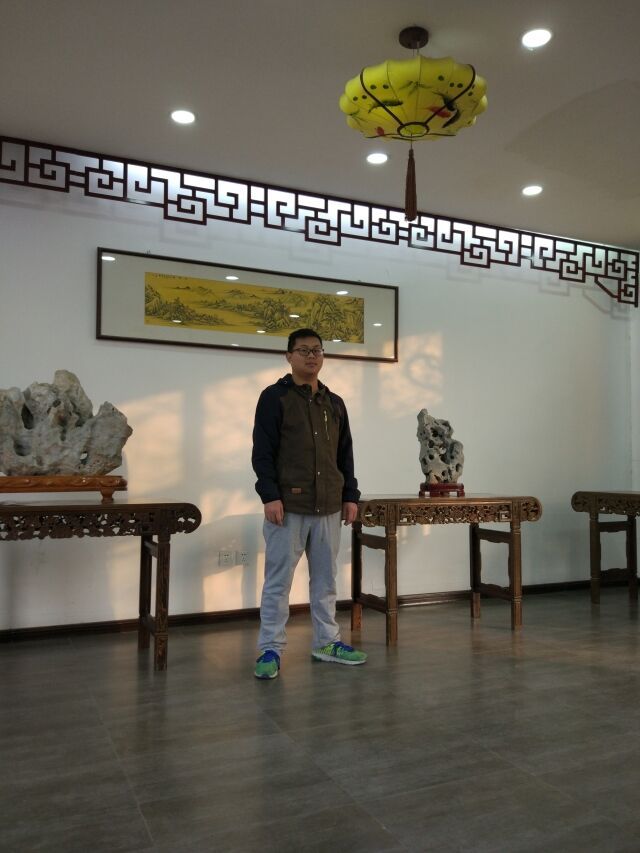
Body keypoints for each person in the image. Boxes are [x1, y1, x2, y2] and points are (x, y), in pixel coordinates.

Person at [251, 328, 367, 679]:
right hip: (288, 507)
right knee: (278, 582)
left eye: (317, 350)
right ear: (289, 356)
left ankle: (327, 642)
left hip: (330, 506)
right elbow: (262, 452)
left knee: (326, 581)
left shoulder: (335, 402)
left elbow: (345, 454)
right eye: (303, 350)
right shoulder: (274, 398)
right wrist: (270, 495)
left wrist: (350, 495)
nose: (311, 356)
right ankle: (270, 649)